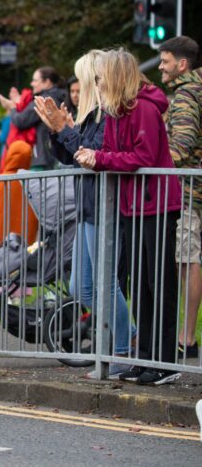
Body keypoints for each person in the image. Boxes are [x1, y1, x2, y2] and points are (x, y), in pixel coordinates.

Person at [76, 48, 182, 386]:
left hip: (157, 202)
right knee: (139, 284)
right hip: (132, 205)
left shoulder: (145, 109)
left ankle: (165, 361)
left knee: (158, 282)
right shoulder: (117, 111)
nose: (98, 82)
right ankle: (145, 356)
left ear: (117, 76)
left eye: (102, 75)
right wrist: (95, 156)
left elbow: (143, 155)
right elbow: (112, 151)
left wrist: (102, 159)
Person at [37, 50, 134, 379]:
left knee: (104, 285)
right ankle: (124, 337)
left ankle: (123, 346)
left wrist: (63, 129)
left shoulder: (108, 116)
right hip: (89, 209)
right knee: (81, 286)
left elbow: (88, 154)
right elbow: (70, 156)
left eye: (81, 80)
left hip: (104, 209)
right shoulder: (93, 116)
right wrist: (56, 129)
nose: (76, 86)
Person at [159, 36, 202, 359]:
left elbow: (183, 145)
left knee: (187, 261)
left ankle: (186, 340)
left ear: (182, 64)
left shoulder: (186, 94)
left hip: (188, 193)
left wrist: (153, 162)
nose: (161, 66)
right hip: (192, 191)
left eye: (165, 60)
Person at [0, 67, 66, 170]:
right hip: (55, 156)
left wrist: (12, 107)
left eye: (35, 80)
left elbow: (21, 121)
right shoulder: (59, 97)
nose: (32, 84)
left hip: (43, 159)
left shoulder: (43, 100)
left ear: (47, 82)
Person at [0, 141, 38, 248]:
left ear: (9, 155)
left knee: (2, 263)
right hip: (27, 237)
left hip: (1, 235)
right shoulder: (34, 182)